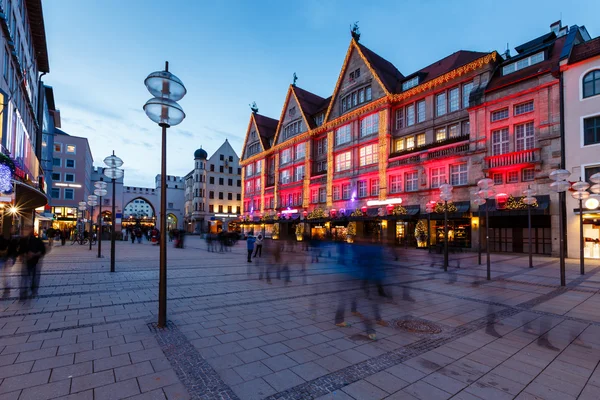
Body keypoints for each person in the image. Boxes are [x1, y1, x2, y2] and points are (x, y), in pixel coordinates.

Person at [18, 227, 46, 299]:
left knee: (33, 276)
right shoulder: (23, 241)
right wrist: (23, 256)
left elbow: (42, 251)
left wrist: (34, 254)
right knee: (25, 277)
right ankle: (24, 292)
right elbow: (20, 251)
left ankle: (33, 290)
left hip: (35, 262)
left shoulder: (37, 240)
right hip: (26, 261)